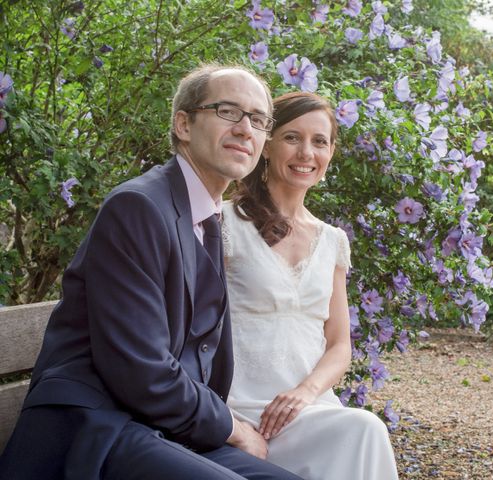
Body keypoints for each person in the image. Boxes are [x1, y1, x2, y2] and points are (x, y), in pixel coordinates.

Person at [0, 64, 303, 480]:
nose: (245, 129)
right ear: (183, 124)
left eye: (258, 119)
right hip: (95, 429)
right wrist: (231, 427)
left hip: (161, 428)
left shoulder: (207, 216)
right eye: (228, 111)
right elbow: (139, 368)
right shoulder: (138, 207)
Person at [222, 91, 399, 480]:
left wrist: (305, 392)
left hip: (311, 409)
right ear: (266, 145)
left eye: (319, 141)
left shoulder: (333, 241)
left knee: (362, 430)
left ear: (331, 153)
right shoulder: (224, 225)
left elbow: (339, 345)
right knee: (365, 429)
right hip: (241, 411)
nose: (306, 152)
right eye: (292, 137)